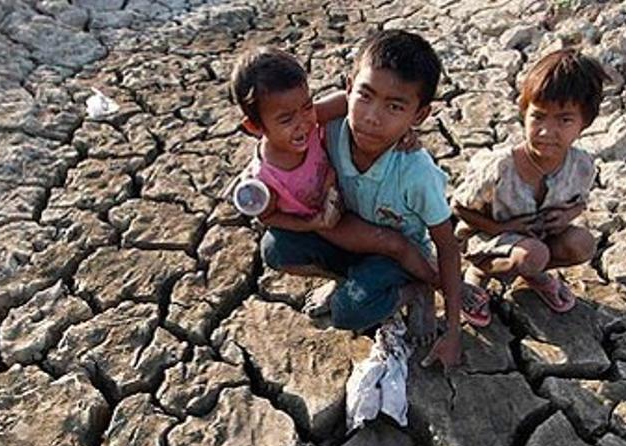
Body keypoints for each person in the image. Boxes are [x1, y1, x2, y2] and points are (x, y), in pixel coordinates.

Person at [259, 30, 469, 368]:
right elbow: (292, 124)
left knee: (347, 312)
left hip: (397, 255)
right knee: (275, 248)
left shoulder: (416, 172)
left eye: (395, 107)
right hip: (346, 235)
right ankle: (350, 280)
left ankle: (412, 291)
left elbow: (446, 245)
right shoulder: (330, 127)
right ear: (348, 86)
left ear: (419, 116)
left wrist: (454, 332)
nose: (372, 116)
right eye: (365, 96)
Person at [229, 46, 438, 295]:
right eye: (286, 120)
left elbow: (349, 99)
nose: (303, 124)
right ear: (254, 126)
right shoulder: (264, 180)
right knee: (392, 244)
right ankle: (419, 285)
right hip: (329, 221)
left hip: (346, 200)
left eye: (307, 106)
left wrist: (402, 127)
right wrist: (312, 223)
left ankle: (441, 284)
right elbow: (268, 217)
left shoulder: (310, 120)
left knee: (396, 244)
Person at [451, 48, 604, 325]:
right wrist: (502, 229)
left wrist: (566, 217)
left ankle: (532, 274)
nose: (547, 131)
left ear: (585, 123)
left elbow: (580, 201)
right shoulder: (499, 167)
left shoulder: (580, 165)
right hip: (487, 239)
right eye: (538, 116)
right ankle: (478, 275)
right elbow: (458, 207)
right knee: (533, 254)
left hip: (537, 239)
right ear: (524, 112)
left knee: (582, 244)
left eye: (564, 120)